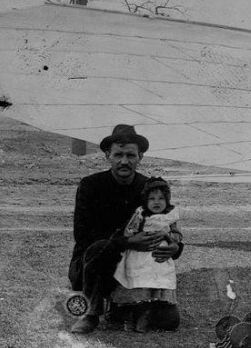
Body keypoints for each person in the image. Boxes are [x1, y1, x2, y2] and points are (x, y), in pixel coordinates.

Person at [68, 124, 183, 334]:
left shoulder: (149, 188)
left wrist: (176, 248)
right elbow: (82, 235)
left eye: (130, 155)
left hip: (137, 264)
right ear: (107, 156)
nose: (124, 161)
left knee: (168, 321)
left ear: (140, 157)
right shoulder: (90, 185)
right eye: (118, 155)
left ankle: (122, 306)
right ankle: (91, 314)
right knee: (101, 248)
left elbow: (164, 222)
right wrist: (127, 241)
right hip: (97, 263)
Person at [112, 178, 182, 333]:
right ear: (145, 200)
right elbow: (129, 231)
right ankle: (132, 314)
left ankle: (148, 313)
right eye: (152, 199)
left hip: (159, 256)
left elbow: (177, 235)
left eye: (161, 198)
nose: (156, 202)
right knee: (139, 282)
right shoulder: (141, 214)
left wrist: (169, 237)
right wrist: (134, 235)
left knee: (157, 282)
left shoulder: (170, 216)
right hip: (140, 255)